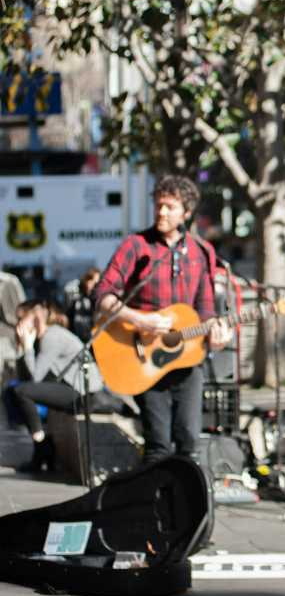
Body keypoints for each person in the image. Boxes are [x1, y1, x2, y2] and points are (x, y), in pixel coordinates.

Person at [94, 175, 231, 465]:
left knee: (189, 439)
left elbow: (205, 310)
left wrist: (217, 333)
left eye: (169, 207)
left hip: (187, 359)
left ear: (187, 212)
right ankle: (153, 505)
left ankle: (184, 508)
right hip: (142, 356)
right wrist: (139, 320)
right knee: (158, 443)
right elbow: (103, 294)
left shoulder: (202, 251)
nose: (161, 212)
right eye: (158, 206)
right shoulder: (137, 246)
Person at [11, 299, 107, 473]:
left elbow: (35, 379)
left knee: (21, 392)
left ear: (34, 319)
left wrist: (27, 348)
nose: (17, 325)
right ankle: (41, 451)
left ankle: (42, 445)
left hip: (83, 394)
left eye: (21, 319)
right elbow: (24, 376)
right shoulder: (41, 339)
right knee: (13, 392)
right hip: (70, 389)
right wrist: (22, 347)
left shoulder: (52, 336)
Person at [67, 267, 101, 344]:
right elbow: (71, 319)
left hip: (96, 340)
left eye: (97, 282)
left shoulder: (100, 301)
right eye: (91, 280)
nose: (94, 284)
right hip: (79, 340)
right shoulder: (77, 300)